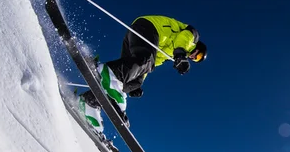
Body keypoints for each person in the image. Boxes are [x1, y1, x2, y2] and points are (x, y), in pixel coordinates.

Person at [79, 15, 207, 132]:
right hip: (148, 28)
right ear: (198, 47)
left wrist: (137, 82)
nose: (194, 57)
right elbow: (183, 39)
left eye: (197, 60)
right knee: (140, 62)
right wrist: (180, 54)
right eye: (198, 55)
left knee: (134, 79)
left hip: (139, 38)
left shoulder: (170, 54)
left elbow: (150, 65)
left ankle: (90, 101)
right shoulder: (192, 36)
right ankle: (109, 73)